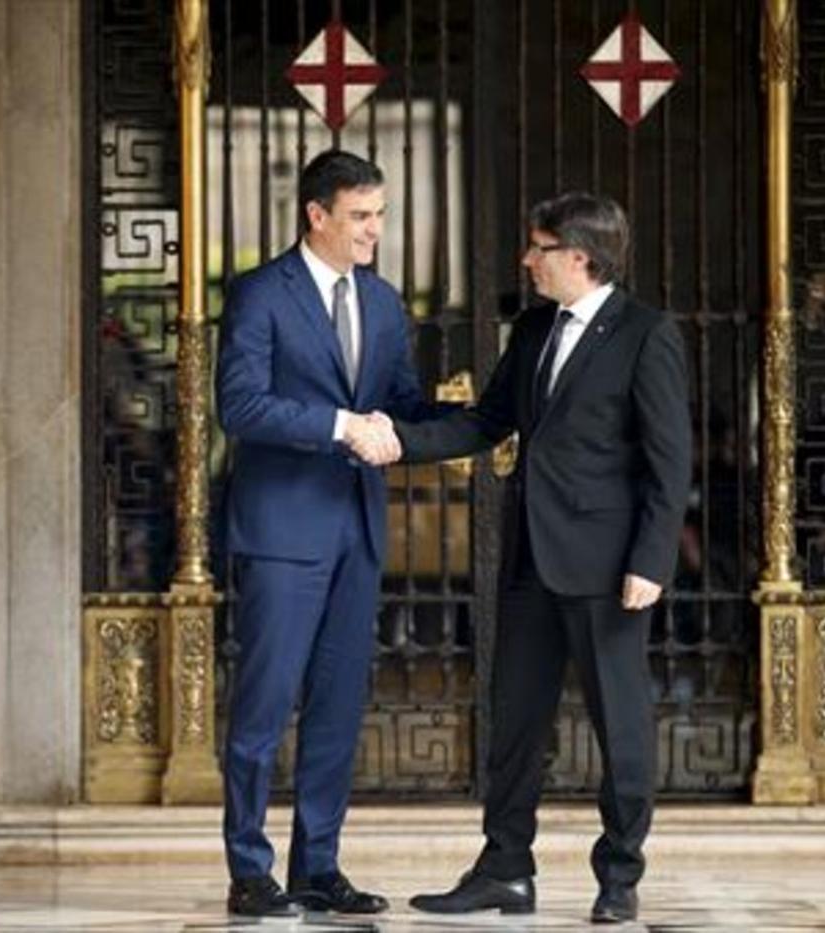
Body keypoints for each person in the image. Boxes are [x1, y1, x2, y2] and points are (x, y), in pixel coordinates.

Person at [397, 192, 692, 924]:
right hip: (531, 558)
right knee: (515, 720)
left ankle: (619, 876)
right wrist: (393, 439)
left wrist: (650, 561)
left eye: (538, 248)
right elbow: (486, 420)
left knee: (619, 724)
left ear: (580, 257)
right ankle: (505, 868)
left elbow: (669, 460)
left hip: (608, 565)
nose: (526, 260)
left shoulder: (645, 334)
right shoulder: (531, 328)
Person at [215, 149, 445, 917]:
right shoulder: (259, 295)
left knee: (339, 704)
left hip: (357, 529)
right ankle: (250, 867)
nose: (375, 230)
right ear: (317, 215)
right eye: (361, 216)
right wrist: (343, 425)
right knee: (264, 701)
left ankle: (319, 864)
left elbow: (402, 404)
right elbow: (241, 407)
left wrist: (474, 417)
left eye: (380, 215)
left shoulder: (382, 303)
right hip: (282, 527)